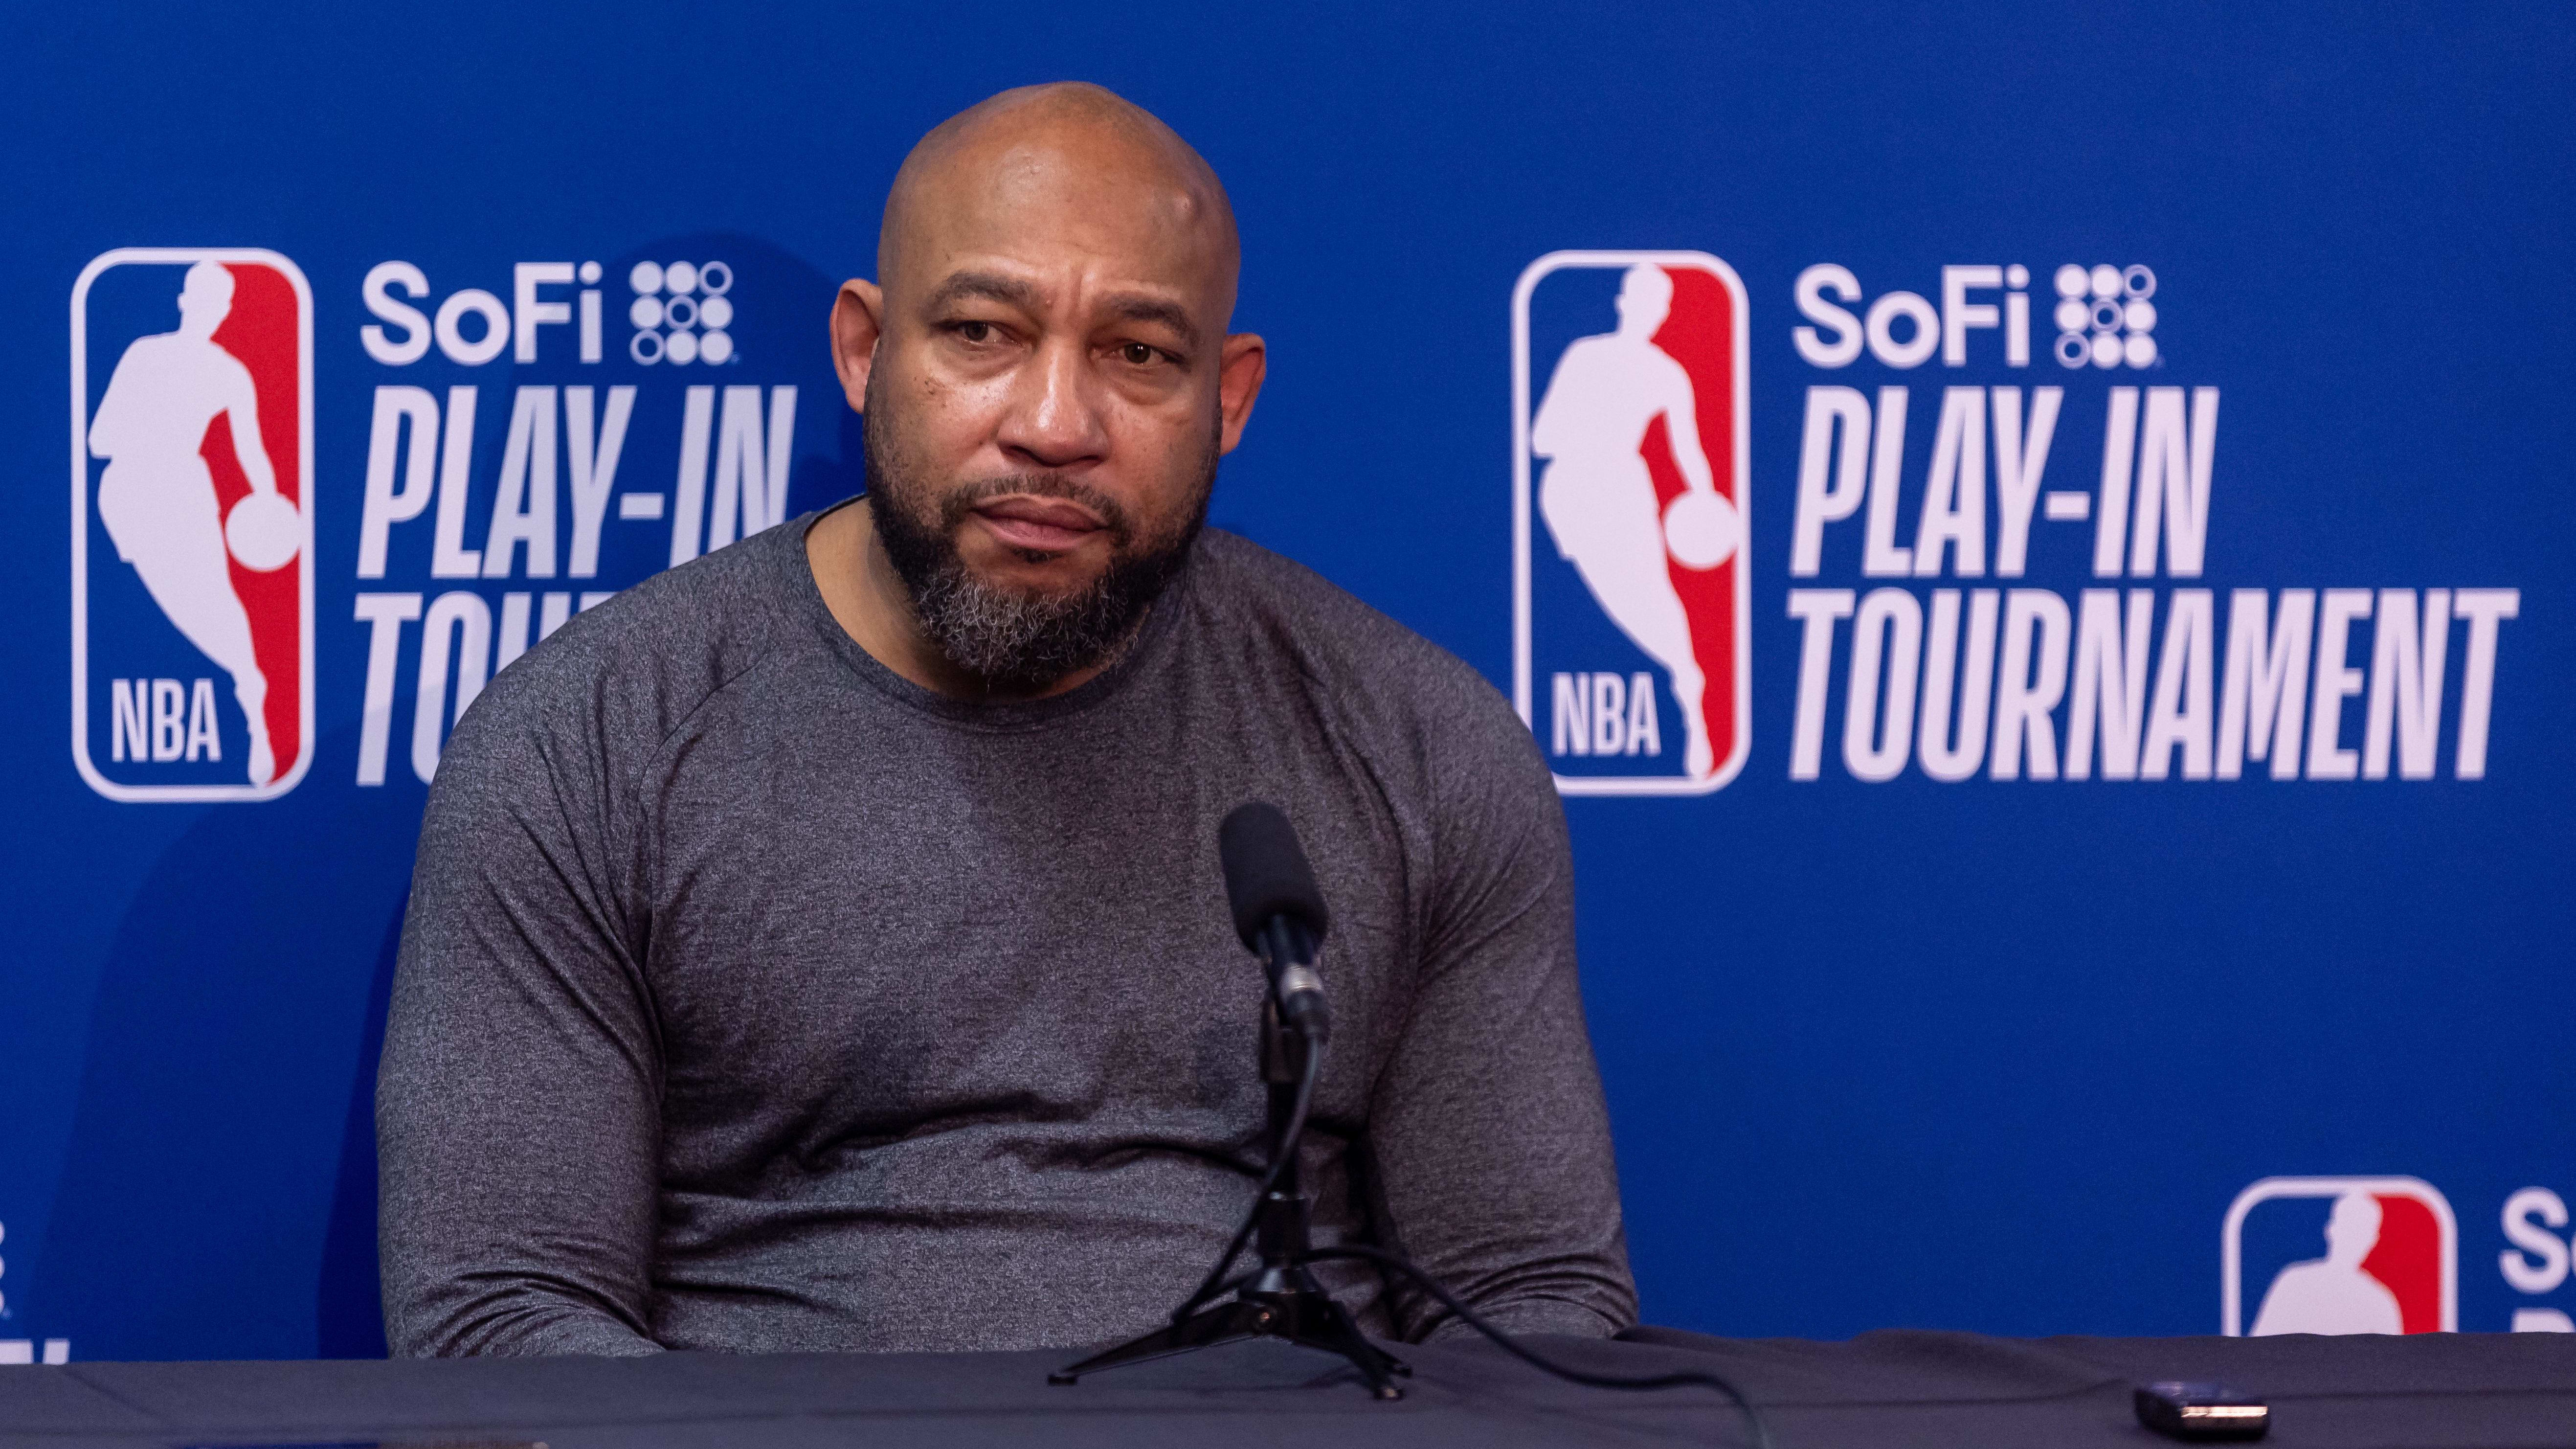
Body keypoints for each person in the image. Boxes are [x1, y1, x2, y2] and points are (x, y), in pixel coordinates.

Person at [377, 83, 1635, 1358]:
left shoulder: (1417, 744)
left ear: (1230, 396)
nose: (1052, 426)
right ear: (866, 354)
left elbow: (1527, 1304)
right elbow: (501, 1323)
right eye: (982, 333)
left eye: (1137, 354)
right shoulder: (587, 744)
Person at [1532, 263, 1731, 779]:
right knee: (1604, 600)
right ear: (1622, 301)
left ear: (1663, 313)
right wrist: (1590, 431)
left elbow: (1687, 449)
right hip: (1568, 493)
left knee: (1652, 594)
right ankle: (1683, 680)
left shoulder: (1668, 374)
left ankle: (1689, 696)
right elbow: (1541, 437)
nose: (1647, 310)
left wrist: (1705, 500)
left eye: (1656, 303)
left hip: (1623, 489)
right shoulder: (1584, 356)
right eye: (1639, 298)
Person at [88, 260, 282, 786]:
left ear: (223, 311)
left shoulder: (230, 374)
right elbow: (98, 440)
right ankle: (249, 687)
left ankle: (255, 706)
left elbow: (253, 454)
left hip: (186, 497)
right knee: (170, 609)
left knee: (216, 604)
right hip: (127, 499)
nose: (206, 311)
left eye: (215, 302)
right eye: (200, 298)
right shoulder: (142, 355)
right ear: (185, 302)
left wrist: (267, 503)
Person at [2249, 1192, 2404, 1336]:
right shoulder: (2294, 1282)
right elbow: (2257, 1350)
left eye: (2362, 1231)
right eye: (2348, 1227)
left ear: (2373, 1240)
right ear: (2332, 1229)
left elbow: (2395, 1362)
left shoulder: (2381, 1302)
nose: (2353, 1239)